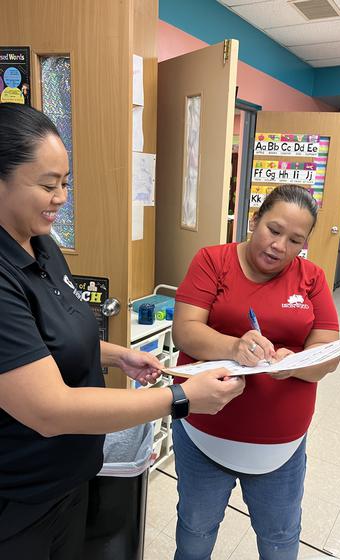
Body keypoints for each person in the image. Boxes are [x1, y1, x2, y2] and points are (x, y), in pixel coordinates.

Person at [0, 103, 245, 560]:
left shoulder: (42, 245)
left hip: (70, 480)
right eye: (48, 185)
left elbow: (53, 334)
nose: (61, 198)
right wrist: (181, 399)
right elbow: (48, 409)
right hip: (18, 500)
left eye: (65, 184)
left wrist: (117, 355)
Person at [171, 184, 340, 560]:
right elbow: (185, 330)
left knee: (279, 538)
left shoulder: (311, 277)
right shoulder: (213, 261)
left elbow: (329, 355)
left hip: (282, 448)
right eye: (274, 230)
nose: (280, 246)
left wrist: (293, 364)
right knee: (196, 530)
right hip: (203, 435)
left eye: (295, 240)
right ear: (254, 220)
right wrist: (234, 347)